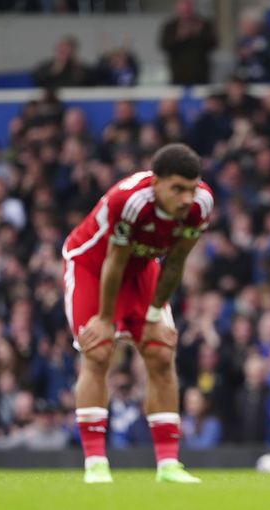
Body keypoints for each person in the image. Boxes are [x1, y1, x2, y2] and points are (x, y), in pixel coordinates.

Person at [62, 143, 214, 483]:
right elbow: (113, 262)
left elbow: (175, 262)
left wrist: (155, 314)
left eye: (191, 188)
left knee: (161, 355)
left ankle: (169, 466)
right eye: (177, 188)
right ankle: (96, 464)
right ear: (155, 182)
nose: (186, 197)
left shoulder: (201, 204)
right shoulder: (129, 199)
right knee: (99, 352)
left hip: (142, 268)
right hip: (92, 265)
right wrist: (104, 319)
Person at [159, 0, 217, 85]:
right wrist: (180, 37)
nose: (186, 13)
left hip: (200, 75)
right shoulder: (171, 26)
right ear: (178, 9)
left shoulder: (203, 24)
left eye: (187, 10)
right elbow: (164, 46)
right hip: (178, 76)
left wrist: (198, 34)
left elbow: (213, 44)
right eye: (183, 10)